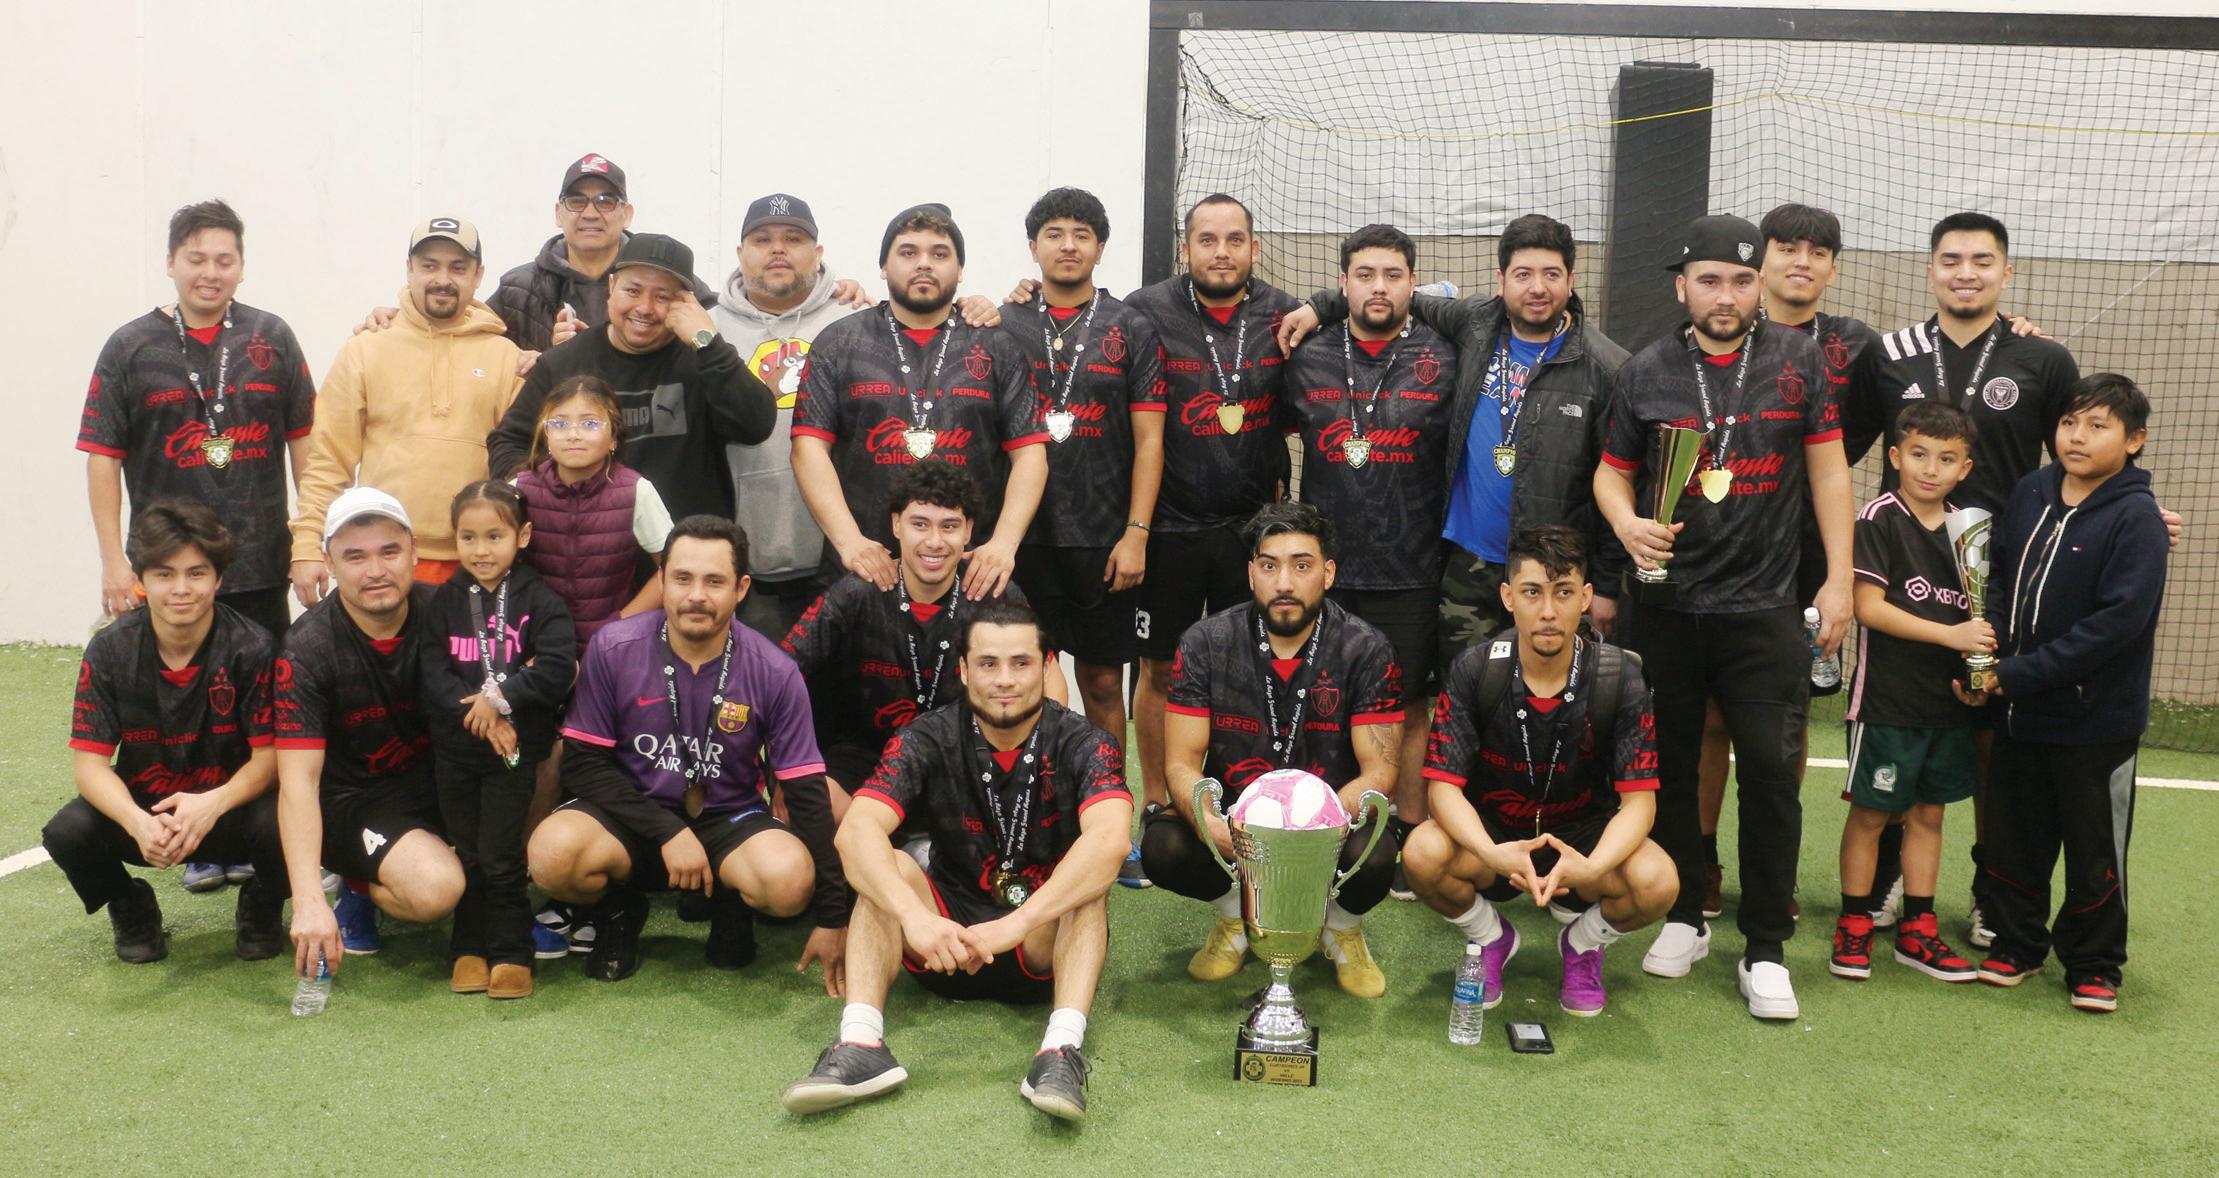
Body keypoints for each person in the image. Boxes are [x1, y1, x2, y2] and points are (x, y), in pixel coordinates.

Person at [1593, 214, 1853, 1021]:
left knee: (1771, 776)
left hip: (1764, 609)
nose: (1726, 295)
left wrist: (1839, 579)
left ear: (1758, 285)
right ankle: (1682, 915)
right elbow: (1609, 472)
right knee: (1668, 769)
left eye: (1741, 281)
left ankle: (1765, 947)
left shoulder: (1798, 361)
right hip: (1665, 609)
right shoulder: (1645, 370)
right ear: (1682, 287)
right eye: (1710, 280)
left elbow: (1829, 474)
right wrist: (1626, 523)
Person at [779, 602, 1131, 1122]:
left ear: (1046, 667)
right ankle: (860, 1043)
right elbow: (855, 831)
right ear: (964, 670)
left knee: (1087, 884)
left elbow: (1111, 841)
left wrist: (1017, 924)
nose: (1004, 680)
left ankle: (1060, 1052)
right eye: (988, 663)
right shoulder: (927, 735)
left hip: (1038, 944)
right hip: (940, 940)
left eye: (1020, 663)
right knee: (887, 865)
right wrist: (915, 918)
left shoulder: (1086, 742)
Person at [526, 516, 844, 988]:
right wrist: (669, 831)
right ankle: (619, 908)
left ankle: (729, 902)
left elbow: (806, 792)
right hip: (631, 816)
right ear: (661, 581)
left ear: (741, 589)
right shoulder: (613, 647)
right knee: (552, 855)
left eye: (714, 581)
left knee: (788, 882)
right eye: (682, 578)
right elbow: (583, 764)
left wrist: (834, 917)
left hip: (728, 820)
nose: (696, 595)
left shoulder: (775, 671)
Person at [1404, 525, 1675, 1015]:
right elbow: (1442, 789)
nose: (1548, 611)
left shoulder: (1620, 676)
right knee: (1422, 853)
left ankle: (1583, 943)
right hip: (1496, 834)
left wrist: (1592, 866)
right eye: (1532, 593)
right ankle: (1489, 936)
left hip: (1583, 837)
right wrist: (1490, 851)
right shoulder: (1475, 669)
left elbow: (1640, 803)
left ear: (1586, 598)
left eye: (1563, 592)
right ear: (1508, 597)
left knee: (1658, 881)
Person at [1141, 502, 1403, 998]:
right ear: (1250, 574)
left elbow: (1381, 770)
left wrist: (1313, 829)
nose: (1284, 582)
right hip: (1239, 828)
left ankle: (1341, 927)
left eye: (1302, 565)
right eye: (1269, 565)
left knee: (1378, 854)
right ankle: (1236, 917)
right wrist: (1212, 824)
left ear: (1328, 573)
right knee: (1162, 846)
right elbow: (1180, 762)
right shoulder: (1205, 642)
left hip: (1330, 826)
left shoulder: (1366, 649)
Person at [1975, 374, 2168, 1014]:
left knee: (2095, 851)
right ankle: (2016, 945)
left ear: (2134, 440)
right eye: (2069, 423)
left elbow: (2116, 626)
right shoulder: (2030, 490)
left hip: (2096, 724)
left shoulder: (2138, 518)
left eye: (2097, 426)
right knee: (2015, 838)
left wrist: (2019, 673)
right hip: (2019, 714)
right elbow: (1998, 574)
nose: (2077, 437)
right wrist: (1989, 653)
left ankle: (2094, 964)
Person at [1118, 195, 1303, 830]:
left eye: (1234, 240)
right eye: (1207, 240)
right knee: (1159, 668)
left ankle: (1243, 802)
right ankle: (1157, 803)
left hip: (1252, 532)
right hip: (1169, 528)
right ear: (1185, 248)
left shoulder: (1286, 314)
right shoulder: (1145, 310)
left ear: (1255, 247)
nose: (1221, 252)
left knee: (1248, 667)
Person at [42, 502, 287, 963]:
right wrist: (137, 823)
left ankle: (263, 899)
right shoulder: (110, 650)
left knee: (292, 817)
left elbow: (270, 759)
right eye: (164, 574)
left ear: (218, 578)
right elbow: (89, 768)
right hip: (147, 813)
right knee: (68, 832)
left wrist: (212, 804)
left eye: (197, 573)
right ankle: (129, 903)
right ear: (141, 579)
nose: (181, 589)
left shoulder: (252, 647)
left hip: (228, 811)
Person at [1277, 223, 1458, 843]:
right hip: (1324, 568)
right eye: (1365, 275)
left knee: (1408, 704)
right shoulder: (1308, 353)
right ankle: (1319, 824)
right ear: (1343, 283)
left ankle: (1405, 828)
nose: (1379, 287)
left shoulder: (1446, 354)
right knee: (1320, 696)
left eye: (1392, 275)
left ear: (1414, 283)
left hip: (1413, 564)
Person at [997, 187, 1165, 840]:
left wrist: (1136, 533)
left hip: (1101, 539)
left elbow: (1149, 441)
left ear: (1100, 247)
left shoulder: (1131, 327)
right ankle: (1031, 816)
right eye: (1054, 233)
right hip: (1020, 541)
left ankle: (1109, 820)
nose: (1068, 245)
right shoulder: (1002, 323)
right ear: (1032, 245)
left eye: (1081, 234)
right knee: (1021, 680)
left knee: (1100, 684)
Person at [80, 198, 315, 643]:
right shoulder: (129, 347)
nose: (210, 273)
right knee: (171, 681)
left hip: (261, 565)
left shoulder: (272, 336)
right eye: (196, 259)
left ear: (241, 268)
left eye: (224, 261)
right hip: (167, 569)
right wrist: (113, 562)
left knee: (263, 680)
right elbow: (103, 456)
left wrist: (311, 541)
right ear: (170, 263)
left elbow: (306, 443)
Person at [791, 203, 1047, 600]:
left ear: (960, 270)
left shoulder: (997, 346)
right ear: (883, 266)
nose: (924, 263)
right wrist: (849, 542)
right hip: (865, 567)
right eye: (908, 252)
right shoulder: (839, 343)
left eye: (939, 254)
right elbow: (807, 449)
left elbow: (1030, 454)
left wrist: (1003, 544)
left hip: (971, 571)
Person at [782, 459, 1054, 803]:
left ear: (968, 531)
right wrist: (788, 768)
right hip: (864, 755)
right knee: (810, 799)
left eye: (949, 526)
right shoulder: (857, 592)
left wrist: (1034, 760)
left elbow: (1049, 680)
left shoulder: (993, 591)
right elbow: (779, 673)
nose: (934, 541)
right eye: (920, 524)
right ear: (897, 525)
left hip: (964, 755)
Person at [276, 487, 464, 977]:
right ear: (329, 564)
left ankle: (506, 894)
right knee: (436, 889)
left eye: (389, 551)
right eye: (355, 557)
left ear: (414, 552)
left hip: (443, 782)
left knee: (543, 748)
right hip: (356, 801)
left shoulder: (449, 613)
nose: (376, 570)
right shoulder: (306, 649)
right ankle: (357, 884)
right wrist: (308, 900)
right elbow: (298, 782)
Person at [1833, 401, 1989, 984]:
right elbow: (1869, 608)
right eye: (1919, 455)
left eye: (1946, 459)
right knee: (1873, 815)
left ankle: (1918, 929)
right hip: (1886, 704)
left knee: (1929, 814)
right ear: (1896, 457)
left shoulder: (1969, 530)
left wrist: (1978, 672)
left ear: (1964, 469)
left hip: (1946, 704)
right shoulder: (1879, 518)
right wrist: (1950, 635)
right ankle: (1853, 924)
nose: (1931, 469)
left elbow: (1977, 616)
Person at [290, 218, 523, 600]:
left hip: (478, 565)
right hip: (383, 562)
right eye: (429, 265)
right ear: (409, 269)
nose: (442, 279)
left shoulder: (507, 358)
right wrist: (306, 545)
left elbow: (523, 469)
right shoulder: (365, 349)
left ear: (478, 275)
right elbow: (328, 460)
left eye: (458, 267)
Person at [486, 233, 777, 521]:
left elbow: (755, 426)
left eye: (662, 296)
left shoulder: (705, 360)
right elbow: (509, 442)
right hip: (588, 545)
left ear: (686, 302)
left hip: (687, 546)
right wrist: (545, 498)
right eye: (633, 291)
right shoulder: (564, 363)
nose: (645, 308)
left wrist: (708, 342)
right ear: (612, 287)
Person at [420, 482, 579, 998]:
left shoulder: (541, 600)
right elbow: (432, 671)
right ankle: (468, 947)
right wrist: (485, 716)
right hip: (456, 752)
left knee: (500, 853)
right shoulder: (444, 600)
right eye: (468, 537)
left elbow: (557, 667)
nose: (481, 550)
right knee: (466, 851)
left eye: (494, 536)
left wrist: (503, 699)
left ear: (522, 536)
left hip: (513, 753)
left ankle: (512, 952)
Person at [712, 193, 870, 639]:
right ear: (740, 253)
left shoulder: (858, 319)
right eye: (762, 239)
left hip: (846, 557)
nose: (778, 249)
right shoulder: (706, 328)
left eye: (793, 239)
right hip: (745, 566)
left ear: (818, 253)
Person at [510, 374, 673, 644]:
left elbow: (673, 567)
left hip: (615, 646)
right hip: (536, 643)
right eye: (559, 423)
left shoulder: (636, 491)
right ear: (546, 435)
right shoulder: (520, 489)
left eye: (590, 424)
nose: (573, 435)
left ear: (613, 438)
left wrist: (618, 629)